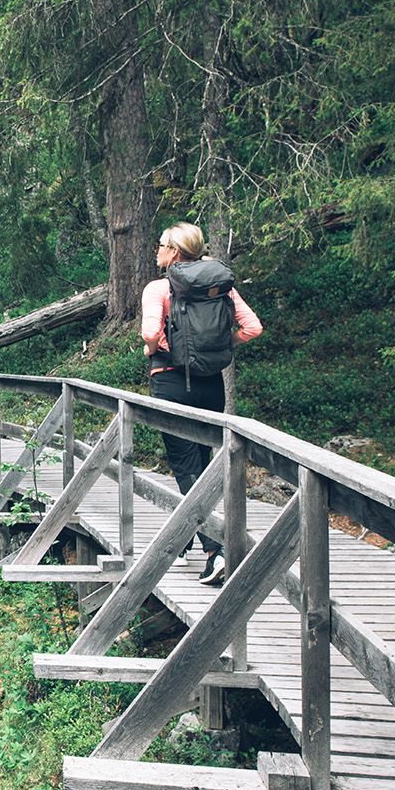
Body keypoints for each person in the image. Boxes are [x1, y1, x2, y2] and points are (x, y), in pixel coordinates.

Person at [140, 222, 262, 584]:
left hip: (171, 381)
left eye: (160, 244)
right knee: (203, 467)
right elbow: (252, 328)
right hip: (211, 385)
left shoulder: (159, 288)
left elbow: (149, 333)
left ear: (174, 252)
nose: (156, 250)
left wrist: (154, 349)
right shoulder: (219, 287)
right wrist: (222, 346)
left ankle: (216, 550)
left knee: (185, 466)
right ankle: (186, 540)